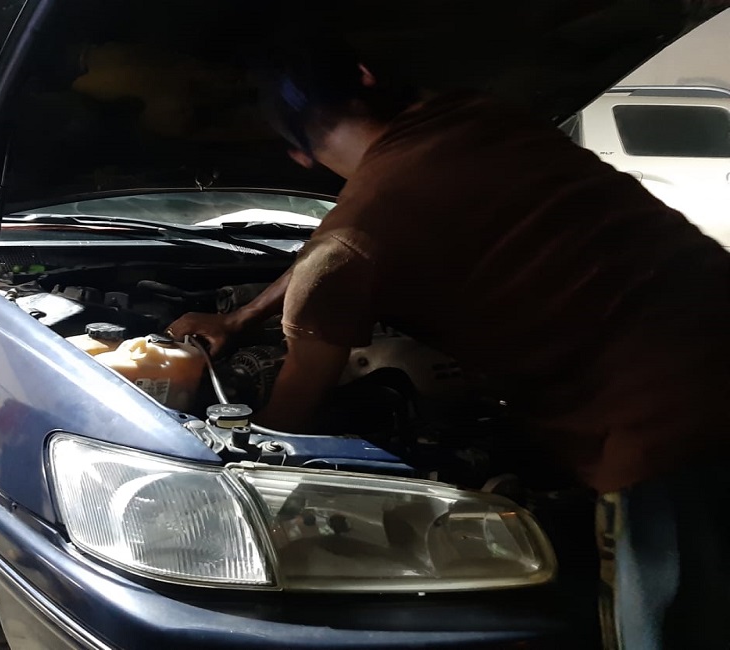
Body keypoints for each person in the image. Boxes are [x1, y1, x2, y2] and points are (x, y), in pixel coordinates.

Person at [167, 36, 730, 650]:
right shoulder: (480, 117)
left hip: (668, 434)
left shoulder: (356, 235)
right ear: (365, 76)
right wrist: (244, 316)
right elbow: (341, 243)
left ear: (298, 157)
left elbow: (284, 425)